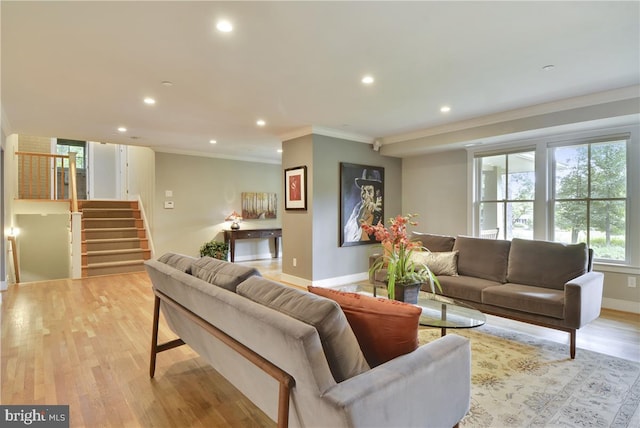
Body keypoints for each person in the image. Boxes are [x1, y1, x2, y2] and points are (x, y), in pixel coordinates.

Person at [344, 169, 383, 242]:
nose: (364, 195)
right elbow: (348, 236)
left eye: (369, 191)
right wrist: (358, 220)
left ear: (377, 194)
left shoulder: (381, 214)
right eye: (363, 190)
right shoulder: (357, 210)